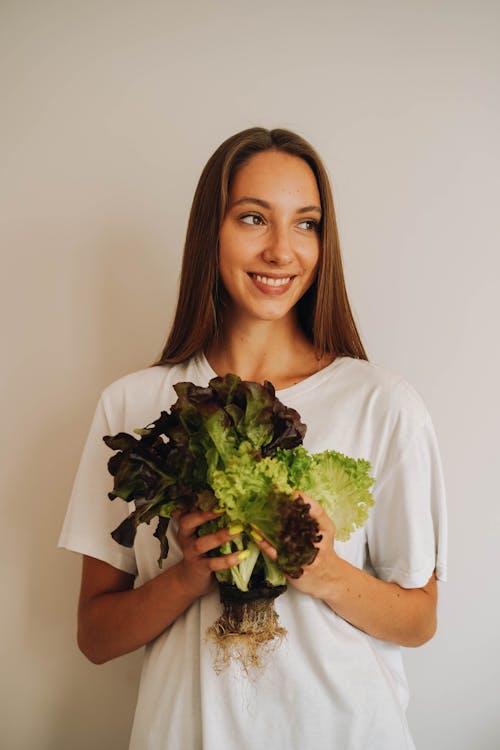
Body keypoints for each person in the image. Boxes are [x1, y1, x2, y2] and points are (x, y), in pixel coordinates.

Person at [59, 127, 447, 750]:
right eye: (252, 218)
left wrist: (323, 572)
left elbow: (420, 619)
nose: (281, 251)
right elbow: (95, 636)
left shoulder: (383, 404)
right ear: (210, 232)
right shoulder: (131, 405)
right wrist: (186, 575)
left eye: (305, 224)